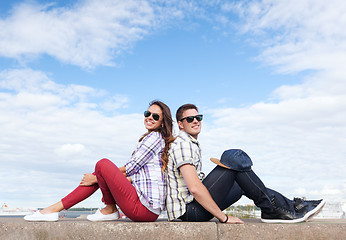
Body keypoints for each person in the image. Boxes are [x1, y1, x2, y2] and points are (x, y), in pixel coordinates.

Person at [166, 103, 325, 224]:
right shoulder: (182, 144)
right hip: (190, 212)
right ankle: (287, 207)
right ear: (180, 124)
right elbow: (194, 188)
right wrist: (224, 218)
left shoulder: (190, 144)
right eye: (190, 119)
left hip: (194, 211)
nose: (196, 121)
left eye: (198, 117)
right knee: (233, 157)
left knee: (240, 181)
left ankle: (285, 207)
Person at [24, 100, 175, 222]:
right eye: (147, 113)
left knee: (102, 164)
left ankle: (58, 209)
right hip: (146, 209)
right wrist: (100, 178)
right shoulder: (154, 139)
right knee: (101, 170)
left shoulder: (154, 138)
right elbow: (134, 176)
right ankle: (57, 209)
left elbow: (131, 168)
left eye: (155, 116)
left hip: (143, 210)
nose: (149, 117)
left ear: (162, 122)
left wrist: (96, 178)